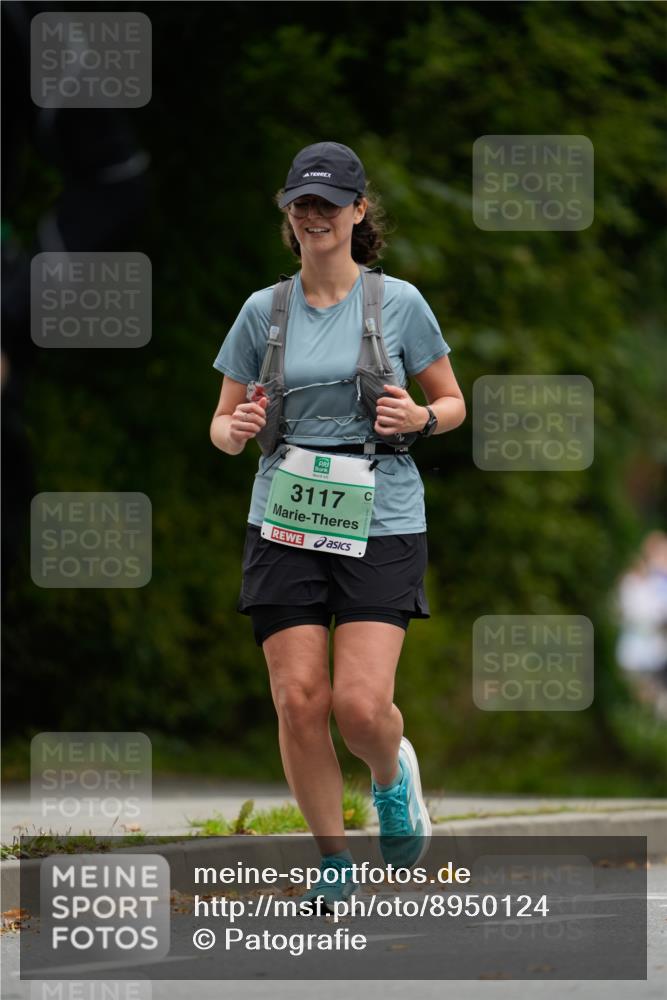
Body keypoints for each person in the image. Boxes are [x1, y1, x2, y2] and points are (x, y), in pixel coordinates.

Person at [210, 141, 466, 913]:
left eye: (329, 202)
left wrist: (419, 416)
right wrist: (238, 426)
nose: (314, 215)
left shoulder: (399, 304)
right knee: (297, 698)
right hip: (284, 509)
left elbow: (452, 402)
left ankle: (391, 780)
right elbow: (221, 426)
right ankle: (332, 859)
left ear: (359, 211)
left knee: (358, 706)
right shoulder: (265, 310)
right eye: (301, 204)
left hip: (379, 513)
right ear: (289, 218)